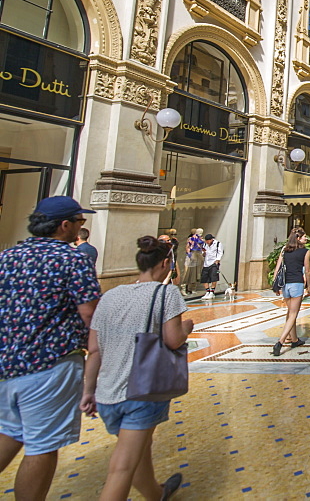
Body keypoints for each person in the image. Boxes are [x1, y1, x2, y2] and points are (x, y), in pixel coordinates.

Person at [0, 196, 101, 500]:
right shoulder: (71, 260)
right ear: (65, 225)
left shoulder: (7, 256)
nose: (82, 227)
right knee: (42, 446)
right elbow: (90, 314)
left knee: (10, 431)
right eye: (80, 222)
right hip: (50, 364)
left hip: (7, 362)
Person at [80, 236, 191, 501]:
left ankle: (156, 494)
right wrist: (187, 328)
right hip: (141, 392)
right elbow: (173, 339)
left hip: (107, 393)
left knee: (138, 450)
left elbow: (94, 349)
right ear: (165, 263)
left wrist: (88, 391)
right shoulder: (166, 293)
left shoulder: (109, 296)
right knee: (121, 467)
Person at [271, 231, 310, 356]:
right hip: (296, 284)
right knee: (294, 314)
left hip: (286, 285)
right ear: (298, 238)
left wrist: (275, 285)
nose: (306, 238)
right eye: (304, 236)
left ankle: (294, 339)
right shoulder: (305, 252)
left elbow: (277, 269)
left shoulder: (285, 251)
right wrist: (309, 286)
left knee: (290, 312)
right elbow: (308, 271)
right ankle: (280, 341)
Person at [200, 233, 223, 300]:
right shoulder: (204, 245)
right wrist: (203, 252)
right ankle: (207, 291)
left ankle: (212, 292)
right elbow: (203, 254)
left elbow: (220, 252)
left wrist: (218, 260)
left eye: (208, 241)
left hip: (213, 262)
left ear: (211, 239)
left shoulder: (218, 244)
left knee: (214, 277)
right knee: (204, 278)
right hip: (206, 263)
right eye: (206, 241)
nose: (207, 242)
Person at [183, 228, 204, 295]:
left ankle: (192, 288)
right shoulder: (191, 238)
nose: (200, 234)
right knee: (187, 272)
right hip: (191, 256)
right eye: (199, 232)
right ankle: (183, 287)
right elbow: (188, 247)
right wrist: (189, 254)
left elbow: (202, 247)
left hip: (197, 256)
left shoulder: (201, 239)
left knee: (195, 273)